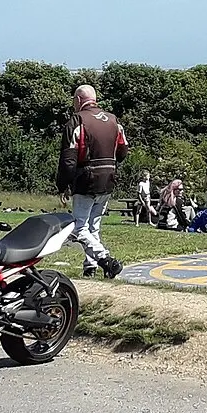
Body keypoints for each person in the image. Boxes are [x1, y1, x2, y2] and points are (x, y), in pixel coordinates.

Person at [58, 85, 126, 278]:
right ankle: (90, 266)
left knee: (79, 228)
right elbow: (122, 151)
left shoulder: (77, 120)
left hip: (86, 179)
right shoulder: (114, 120)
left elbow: (68, 158)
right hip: (108, 178)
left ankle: (106, 260)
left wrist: (63, 184)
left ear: (78, 100)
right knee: (93, 225)